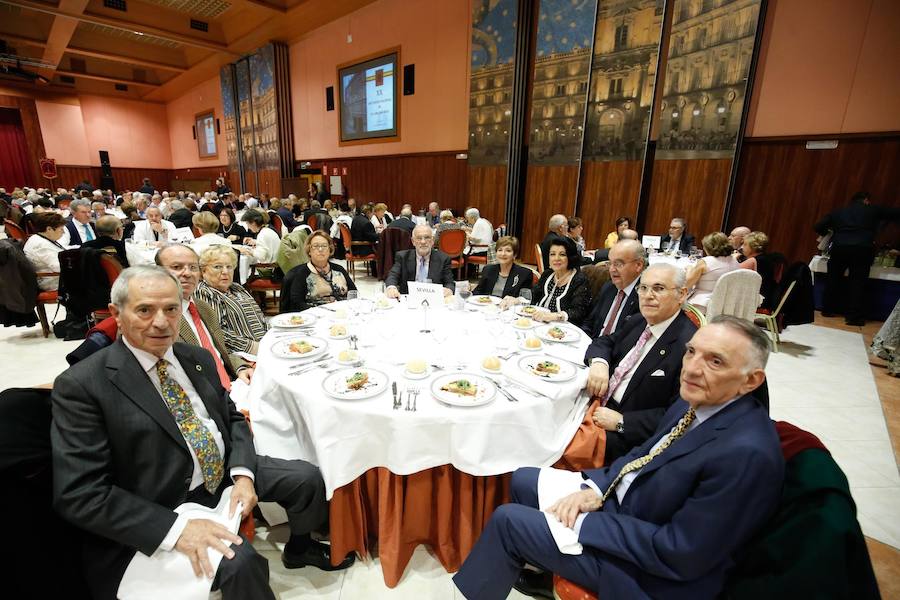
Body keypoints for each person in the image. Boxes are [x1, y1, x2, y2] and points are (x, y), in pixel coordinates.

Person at [51, 266, 354, 600]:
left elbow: (233, 418)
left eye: (171, 309)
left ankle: (299, 548)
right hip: (161, 499)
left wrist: (242, 475)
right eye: (144, 310)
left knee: (307, 478)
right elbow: (80, 494)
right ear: (116, 314)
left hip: (221, 472)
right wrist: (176, 529)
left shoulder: (194, 358)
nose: (162, 322)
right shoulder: (83, 385)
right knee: (240, 562)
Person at [453, 316, 783, 600]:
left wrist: (585, 523)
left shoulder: (746, 454)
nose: (692, 369)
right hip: (630, 511)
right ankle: (544, 566)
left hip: (652, 572)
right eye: (692, 352)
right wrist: (596, 491)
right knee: (524, 477)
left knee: (508, 520)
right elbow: (645, 453)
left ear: (751, 380)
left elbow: (682, 553)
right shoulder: (696, 402)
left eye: (715, 362)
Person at [583, 263, 697, 463]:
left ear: (682, 294)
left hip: (627, 438)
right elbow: (604, 342)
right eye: (643, 288)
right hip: (595, 405)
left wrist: (622, 422)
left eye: (658, 288)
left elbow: (682, 415)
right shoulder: (638, 321)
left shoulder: (690, 347)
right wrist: (600, 363)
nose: (647, 295)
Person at [155, 245, 253, 386]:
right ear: (158, 273)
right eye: (177, 267)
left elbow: (218, 350)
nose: (187, 273)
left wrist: (240, 368)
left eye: (193, 267)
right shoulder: (154, 320)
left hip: (232, 383)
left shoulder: (202, 307)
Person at [815, 192, 900, 326]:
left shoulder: (839, 212)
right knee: (857, 282)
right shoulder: (873, 209)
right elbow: (895, 213)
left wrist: (833, 231)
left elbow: (818, 226)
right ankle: (853, 317)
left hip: (840, 247)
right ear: (866, 200)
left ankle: (827, 309)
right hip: (862, 248)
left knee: (833, 278)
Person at [194, 246, 268, 355]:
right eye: (218, 267)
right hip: (242, 355)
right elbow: (217, 332)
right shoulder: (205, 292)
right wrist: (255, 348)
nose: (225, 271)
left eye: (229, 267)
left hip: (264, 344)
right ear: (203, 271)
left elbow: (259, 317)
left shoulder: (236, 287)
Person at [583, 239, 645, 338]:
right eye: (610, 263)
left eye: (618, 264)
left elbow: (627, 339)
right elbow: (590, 322)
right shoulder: (608, 287)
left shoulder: (644, 297)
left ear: (638, 265)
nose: (612, 269)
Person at [282, 231, 357, 312]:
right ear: (309, 251)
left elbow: (353, 292)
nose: (320, 249)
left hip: (342, 314)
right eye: (316, 246)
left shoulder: (339, 270)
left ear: (330, 249)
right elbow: (297, 303)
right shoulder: (301, 274)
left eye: (324, 246)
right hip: (314, 316)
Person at [530, 237, 592, 326]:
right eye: (552, 254)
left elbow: (578, 312)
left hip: (564, 330)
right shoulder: (547, 274)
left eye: (562, 254)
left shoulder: (579, 280)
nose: (556, 258)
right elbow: (534, 295)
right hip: (539, 323)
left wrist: (553, 316)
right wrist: (518, 300)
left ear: (570, 257)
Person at [385, 224, 455, 297]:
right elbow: (392, 276)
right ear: (413, 241)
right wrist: (391, 287)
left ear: (432, 240)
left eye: (427, 237)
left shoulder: (443, 259)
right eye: (419, 238)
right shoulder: (402, 257)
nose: (423, 242)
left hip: (433, 299)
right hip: (409, 299)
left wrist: (448, 290)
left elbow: (449, 283)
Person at [684, 232, 740, 312]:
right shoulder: (735, 261)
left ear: (709, 247)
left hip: (703, 305)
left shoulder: (706, 262)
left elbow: (687, 284)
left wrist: (689, 269)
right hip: (727, 305)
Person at [472, 236, 534, 307]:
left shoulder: (524, 274)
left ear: (515, 255)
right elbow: (477, 292)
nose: (503, 254)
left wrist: (516, 300)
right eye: (500, 250)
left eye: (508, 251)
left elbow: (526, 298)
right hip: (487, 309)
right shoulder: (488, 270)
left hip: (510, 311)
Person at [23, 212, 66, 291]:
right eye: (61, 229)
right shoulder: (42, 245)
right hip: (52, 282)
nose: (63, 232)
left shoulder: (39, 238)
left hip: (53, 277)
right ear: (49, 229)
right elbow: (59, 267)